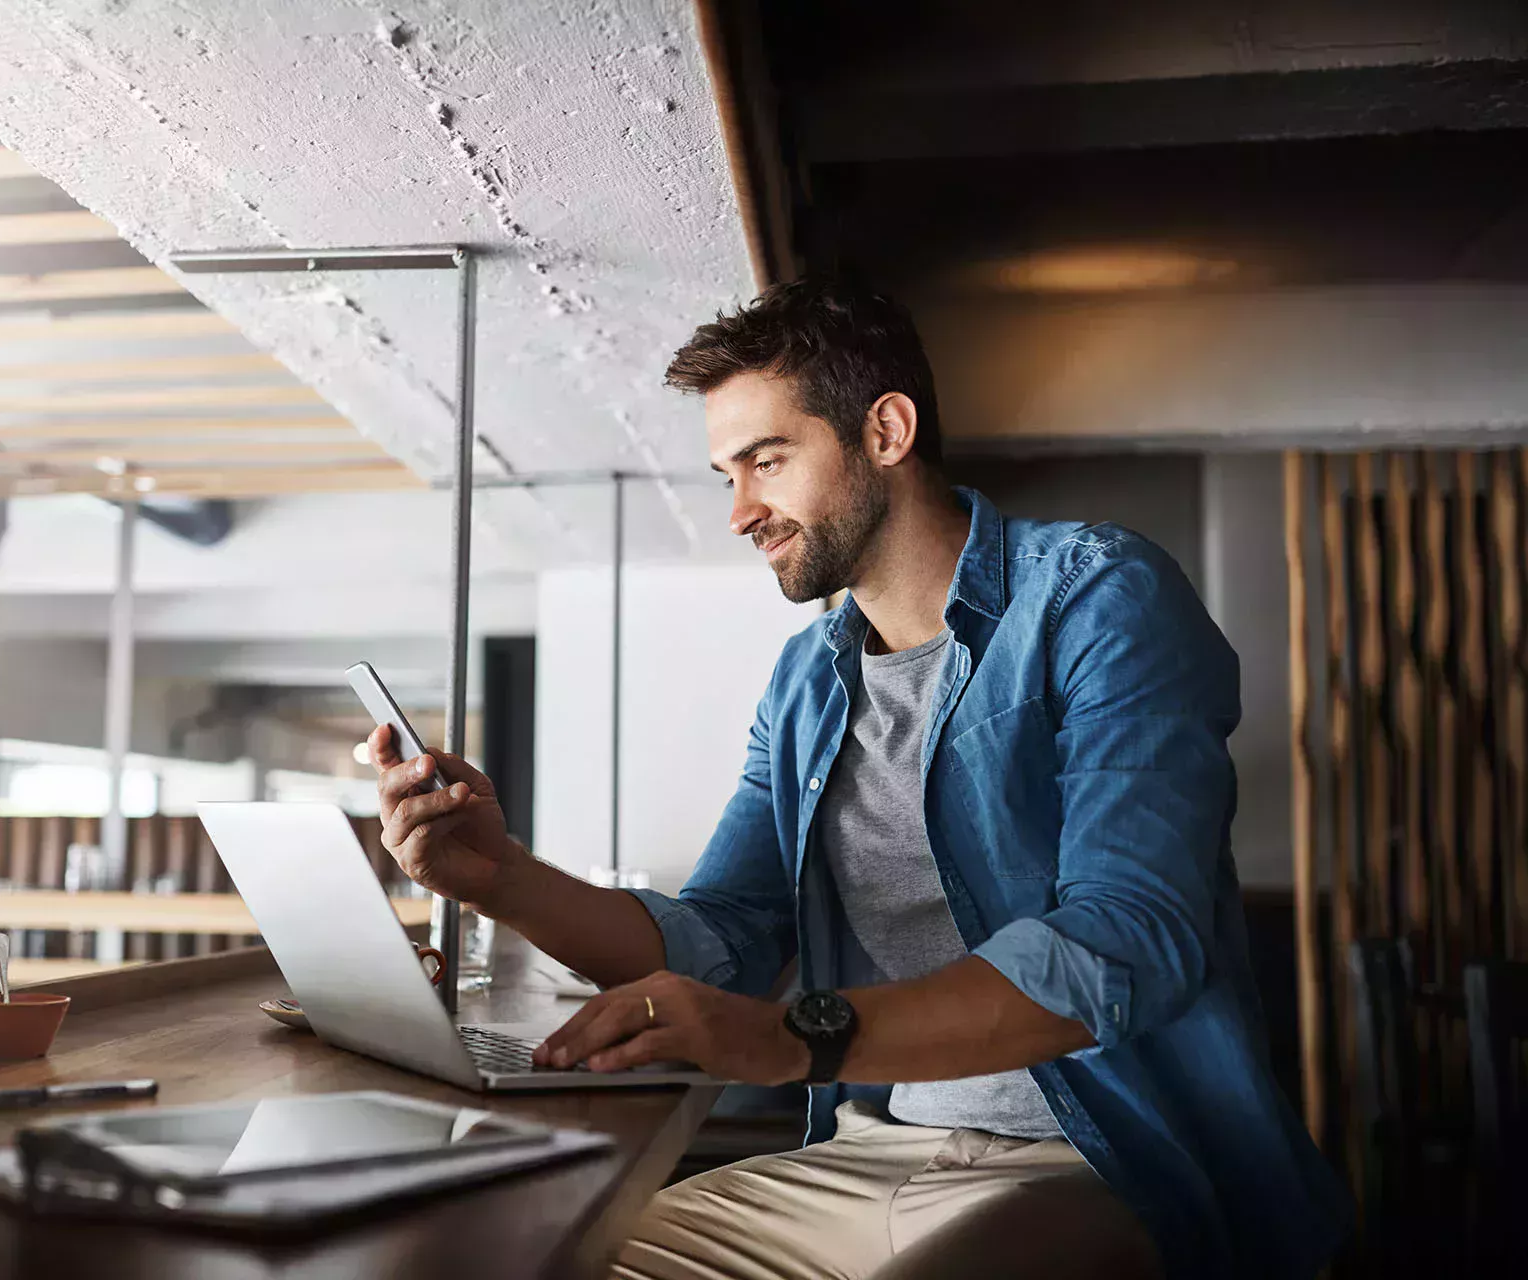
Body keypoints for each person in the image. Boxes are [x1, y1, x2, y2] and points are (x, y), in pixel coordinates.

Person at [367, 278, 1350, 1279]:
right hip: (864, 1153)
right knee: (543, 1260)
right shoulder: (806, 681)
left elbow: (1130, 935)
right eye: (727, 474)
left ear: (884, 430)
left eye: (767, 459)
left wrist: (796, 1035)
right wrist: (499, 875)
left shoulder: (1099, 598)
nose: (742, 510)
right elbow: (726, 940)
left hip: (1097, 1157)